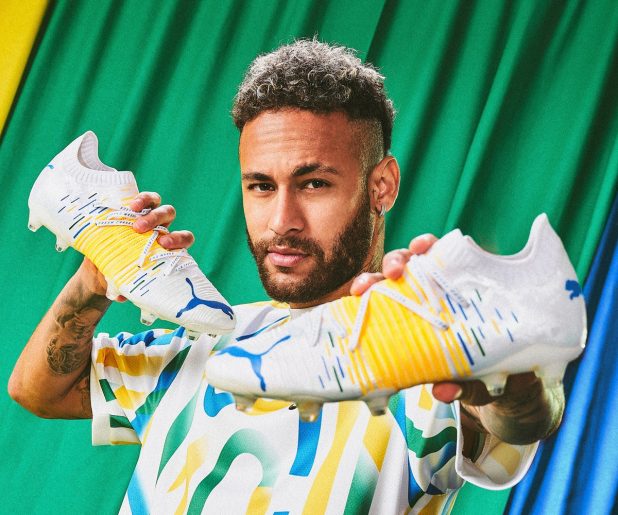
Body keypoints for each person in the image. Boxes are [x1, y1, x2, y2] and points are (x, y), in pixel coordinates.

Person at [9, 40, 564, 513]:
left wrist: (506, 376)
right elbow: (40, 390)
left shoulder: (423, 356)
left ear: (382, 187)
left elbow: (521, 419)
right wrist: (95, 278)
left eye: (314, 184)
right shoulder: (209, 339)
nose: (281, 221)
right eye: (261, 186)